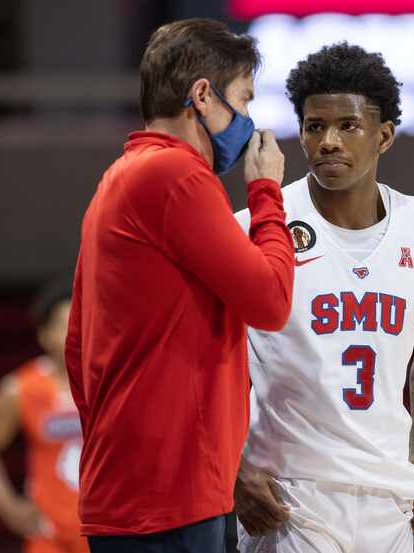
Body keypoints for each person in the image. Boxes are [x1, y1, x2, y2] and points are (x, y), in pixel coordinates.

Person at [64, 18, 294, 553]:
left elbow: (78, 349)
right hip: (169, 496)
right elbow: (271, 300)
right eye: (244, 98)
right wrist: (265, 193)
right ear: (202, 95)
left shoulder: (122, 176)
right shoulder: (177, 176)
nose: (248, 118)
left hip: (137, 487)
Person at [233, 43, 414, 553]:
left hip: (386, 494)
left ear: (384, 136)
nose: (328, 141)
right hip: (288, 490)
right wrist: (235, 467)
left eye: (348, 126)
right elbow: (199, 356)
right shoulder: (257, 227)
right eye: (315, 126)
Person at [0, 278, 87, 553]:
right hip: (52, 539)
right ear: (44, 335)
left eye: (82, 320)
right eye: (65, 324)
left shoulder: (114, 384)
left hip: (110, 537)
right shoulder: (21, 390)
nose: (76, 331)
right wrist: (10, 508)